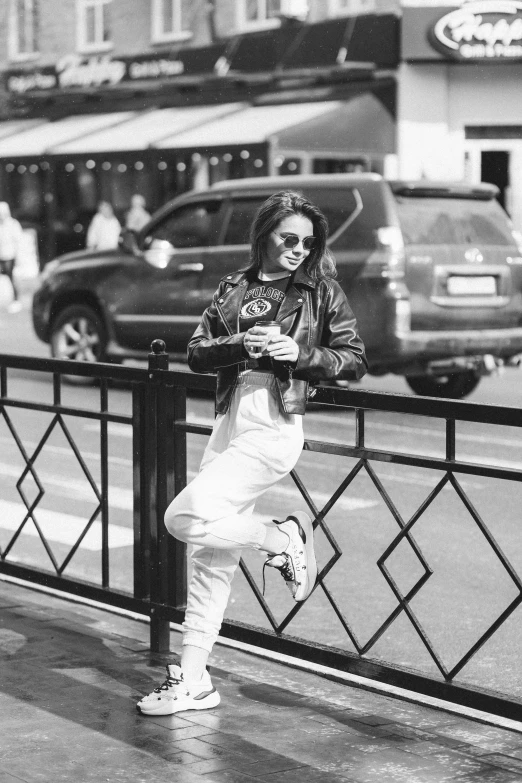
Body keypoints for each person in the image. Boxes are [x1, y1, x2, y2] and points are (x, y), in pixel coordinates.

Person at [136, 190, 368, 716]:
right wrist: (244, 344)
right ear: (264, 235)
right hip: (228, 424)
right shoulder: (234, 287)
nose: (298, 249)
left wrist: (303, 354)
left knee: (183, 517)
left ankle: (278, 537)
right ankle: (193, 682)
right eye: (288, 238)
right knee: (208, 558)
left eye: (307, 242)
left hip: (274, 427)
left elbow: (353, 359)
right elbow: (196, 352)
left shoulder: (320, 290)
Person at [0, 202, 24, 313]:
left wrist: (18, 256)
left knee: (11, 278)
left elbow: (18, 240)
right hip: (2, 255)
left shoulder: (13, 224)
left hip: (9, 255)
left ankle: (15, 300)